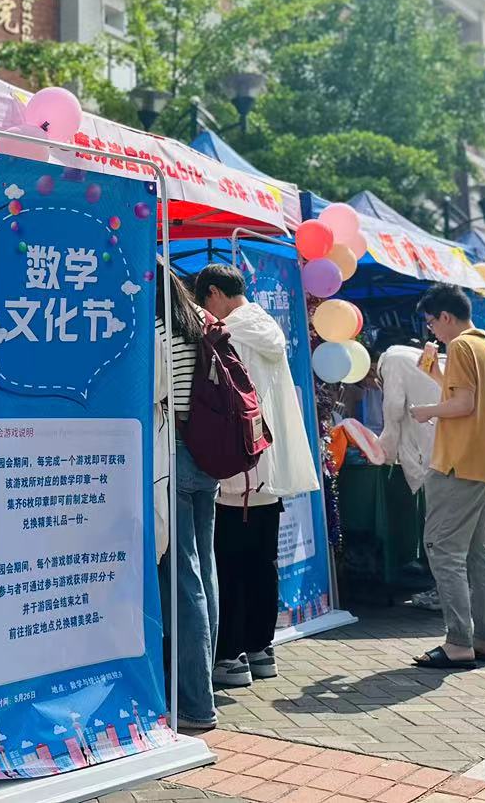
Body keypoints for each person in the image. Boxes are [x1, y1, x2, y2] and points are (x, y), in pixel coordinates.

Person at [195, 263, 320, 690]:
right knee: (263, 565)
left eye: (204, 301)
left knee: (229, 567)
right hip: (272, 471)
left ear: (214, 293)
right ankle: (261, 649)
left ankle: (230, 656)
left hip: (238, 471)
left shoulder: (228, 334)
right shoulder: (268, 327)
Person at [407, 283, 485, 669]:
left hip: (457, 463)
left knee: (443, 549)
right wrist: (435, 374)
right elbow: (467, 399)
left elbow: (463, 404)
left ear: (445, 316)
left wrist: (427, 411)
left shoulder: (461, 346)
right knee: (482, 555)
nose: (432, 330)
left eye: (432, 322)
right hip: (483, 463)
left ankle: (458, 642)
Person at [156, 261, 221, 732]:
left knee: (183, 578)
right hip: (209, 454)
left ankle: (196, 703)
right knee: (203, 570)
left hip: (175, 453)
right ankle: (205, 683)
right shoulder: (201, 320)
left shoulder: (159, 327)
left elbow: (153, 391)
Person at [377, 335, 441, 495]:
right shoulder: (407, 356)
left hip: (429, 444)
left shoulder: (391, 362)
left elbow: (393, 410)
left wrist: (385, 453)